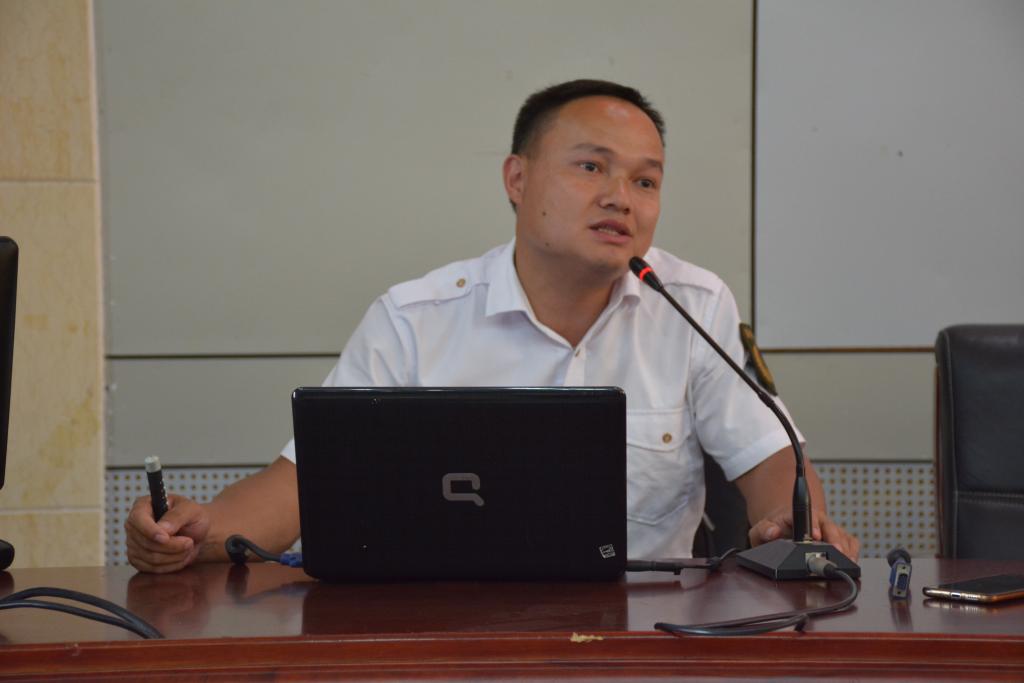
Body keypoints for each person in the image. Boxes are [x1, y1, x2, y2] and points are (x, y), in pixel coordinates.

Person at [126, 79, 859, 573]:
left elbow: (770, 462)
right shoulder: (416, 319)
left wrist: (790, 525)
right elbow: (299, 491)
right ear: (517, 179)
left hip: (642, 639)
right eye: (591, 167)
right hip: (447, 641)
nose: (621, 198)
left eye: (645, 180)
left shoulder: (690, 303)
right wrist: (194, 533)